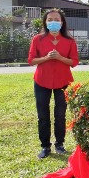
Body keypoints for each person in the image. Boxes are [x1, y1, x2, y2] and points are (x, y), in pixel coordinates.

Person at [28, 9, 79, 159]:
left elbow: (74, 62)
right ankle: (45, 146)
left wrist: (60, 57)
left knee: (60, 114)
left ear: (62, 22)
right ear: (45, 22)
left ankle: (60, 144)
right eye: (49, 19)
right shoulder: (38, 39)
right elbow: (31, 60)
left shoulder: (69, 41)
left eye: (56, 19)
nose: (53, 22)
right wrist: (46, 58)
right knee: (43, 115)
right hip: (41, 81)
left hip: (63, 81)